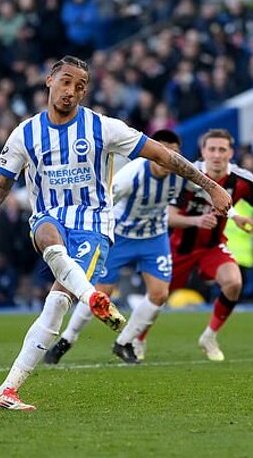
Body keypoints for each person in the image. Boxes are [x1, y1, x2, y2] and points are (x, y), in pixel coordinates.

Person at [0, 56, 231, 411]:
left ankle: (6, 392)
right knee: (48, 236)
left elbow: (163, 155)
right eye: (66, 82)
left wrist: (210, 187)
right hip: (48, 218)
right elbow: (0, 185)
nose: (71, 91)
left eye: (80, 86)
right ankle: (93, 298)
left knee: (55, 306)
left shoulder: (104, 128)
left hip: (94, 226)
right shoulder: (25, 134)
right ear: (49, 80)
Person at [44, 129, 188, 365]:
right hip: (120, 235)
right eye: (161, 152)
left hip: (154, 237)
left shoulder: (182, 173)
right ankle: (67, 339)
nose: (166, 159)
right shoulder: (131, 176)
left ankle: (124, 342)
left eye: (172, 154)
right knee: (101, 293)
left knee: (160, 294)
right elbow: (104, 203)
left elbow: (205, 185)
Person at [165, 128, 253, 362]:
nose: (217, 155)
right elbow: (168, 216)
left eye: (222, 149)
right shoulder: (185, 175)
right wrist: (196, 221)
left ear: (231, 152)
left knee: (233, 282)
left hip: (212, 246)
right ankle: (136, 340)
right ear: (203, 152)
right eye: (212, 149)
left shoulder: (243, 180)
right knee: (157, 296)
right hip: (178, 247)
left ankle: (209, 336)